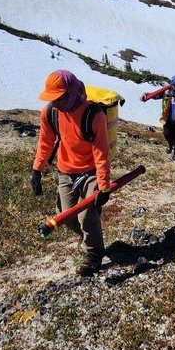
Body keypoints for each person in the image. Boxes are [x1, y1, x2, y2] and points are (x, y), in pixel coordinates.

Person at [31, 70, 111, 277]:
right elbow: (45, 143)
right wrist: (37, 170)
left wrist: (103, 185)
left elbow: (101, 151)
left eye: (60, 98)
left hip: (91, 170)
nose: (56, 103)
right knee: (66, 217)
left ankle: (93, 256)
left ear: (73, 92)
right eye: (53, 99)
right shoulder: (50, 112)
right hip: (65, 172)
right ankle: (89, 239)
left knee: (87, 214)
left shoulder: (94, 114)